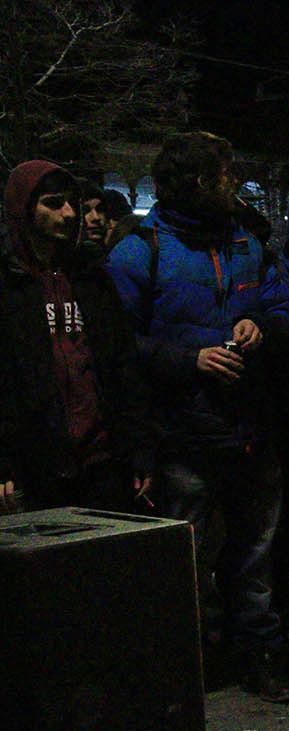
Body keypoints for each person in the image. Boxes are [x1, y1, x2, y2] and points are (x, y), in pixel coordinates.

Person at [106, 131, 289, 703]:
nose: (233, 183)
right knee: (185, 564)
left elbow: (288, 307)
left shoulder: (248, 242)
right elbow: (116, 344)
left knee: (255, 554)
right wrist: (187, 360)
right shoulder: (137, 250)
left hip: (249, 428)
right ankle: (187, 669)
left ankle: (259, 654)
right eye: (223, 175)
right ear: (194, 182)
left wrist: (261, 326)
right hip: (182, 436)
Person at [1, 161, 154, 514]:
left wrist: (139, 448)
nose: (70, 214)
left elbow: (123, 366)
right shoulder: (10, 284)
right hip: (33, 469)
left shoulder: (91, 278)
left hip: (101, 463)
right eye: (54, 204)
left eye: (72, 203)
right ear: (24, 209)